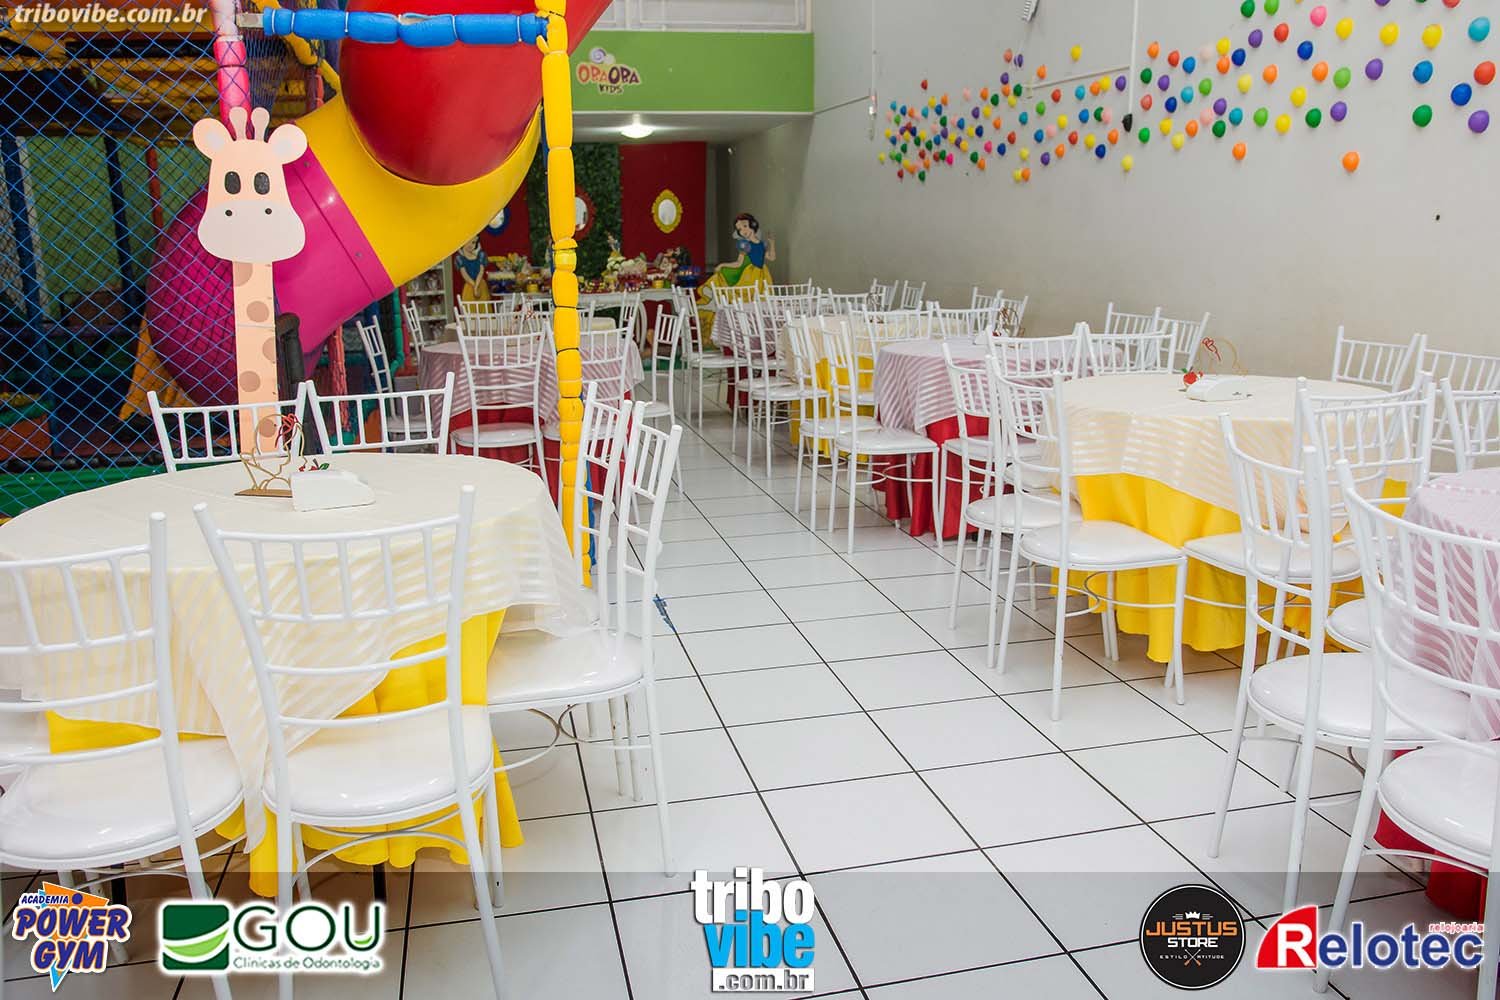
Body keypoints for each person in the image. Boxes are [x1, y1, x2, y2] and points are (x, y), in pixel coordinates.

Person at [454, 235, 490, 302]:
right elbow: (465, 275)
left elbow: (481, 271)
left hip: (480, 284)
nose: (470, 245)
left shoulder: (481, 255)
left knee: (483, 305)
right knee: (469, 305)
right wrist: (474, 286)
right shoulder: (460, 258)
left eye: (473, 242)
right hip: (469, 286)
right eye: (468, 242)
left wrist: (476, 286)